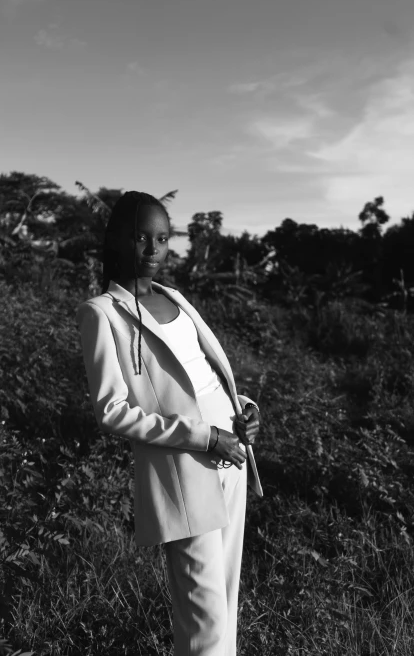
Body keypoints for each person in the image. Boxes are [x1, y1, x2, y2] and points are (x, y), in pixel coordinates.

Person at [76, 191, 262, 656]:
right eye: (141, 237)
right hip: (185, 469)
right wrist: (205, 436)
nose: (153, 249)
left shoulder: (173, 297)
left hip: (233, 455)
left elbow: (201, 375)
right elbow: (112, 410)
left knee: (226, 596)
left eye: (162, 238)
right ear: (118, 238)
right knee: (204, 618)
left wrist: (243, 408)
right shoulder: (101, 312)